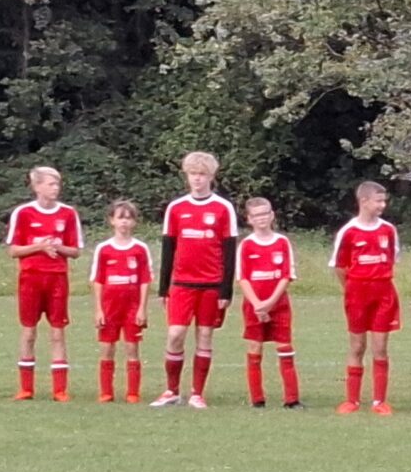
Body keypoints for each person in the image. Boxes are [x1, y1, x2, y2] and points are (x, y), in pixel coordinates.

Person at [155, 151, 238, 409]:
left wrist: (226, 291)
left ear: (211, 176)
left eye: (202, 174)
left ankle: (197, 393)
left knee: (204, 335)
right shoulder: (176, 208)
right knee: (175, 334)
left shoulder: (223, 208)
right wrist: (163, 288)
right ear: (186, 176)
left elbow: (230, 251)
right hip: (181, 284)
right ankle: (171, 391)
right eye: (193, 174)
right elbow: (168, 248)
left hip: (212, 284)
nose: (197, 179)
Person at [7, 166, 82, 403]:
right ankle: (25, 389)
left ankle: (60, 390)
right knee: (29, 332)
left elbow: (76, 251)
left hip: (57, 279)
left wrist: (58, 247)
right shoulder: (23, 213)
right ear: (37, 186)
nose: (55, 188)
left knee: (57, 332)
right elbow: (13, 250)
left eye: (57, 184)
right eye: (50, 184)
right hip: (30, 279)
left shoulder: (68, 214)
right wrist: (39, 247)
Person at [331, 181, 401, 415]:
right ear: (364, 201)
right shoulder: (348, 232)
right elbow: (339, 267)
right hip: (357, 295)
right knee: (357, 346)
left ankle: (379, 401)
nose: (383, 205)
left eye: (384, 201)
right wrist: (351, 289)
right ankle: (352, 400)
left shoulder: (388, 230)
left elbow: (392, 260)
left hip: (383, 293)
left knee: (380, 347)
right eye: (378, 201)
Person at [237, 196, 300, 409]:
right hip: (253, 307)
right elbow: (242, 278)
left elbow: (286, 275)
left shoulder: (282, 242)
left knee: (285, 347)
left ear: (272, 215)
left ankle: (292, 399)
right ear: (249, 219)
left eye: (265, 213)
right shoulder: (246, 245)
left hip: (279, 305)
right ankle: (257, 399)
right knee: (255, 348)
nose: (261, 218)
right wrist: (258, 305)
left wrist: (270, 303)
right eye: (256, 215)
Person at [90, 200, 154, 403]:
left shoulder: (140, 249)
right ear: (112, 221)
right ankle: (106, 392)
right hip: (110, 307)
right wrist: (99, 309)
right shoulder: (104, 249)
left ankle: (133, 392)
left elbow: (145, 280)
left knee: (132, 348)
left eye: (128, 218)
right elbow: (97, 280)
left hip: (132, 307)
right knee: (107, 348)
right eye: (120, 217)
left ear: (134, 222)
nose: (124, 222)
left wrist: (142, 308)